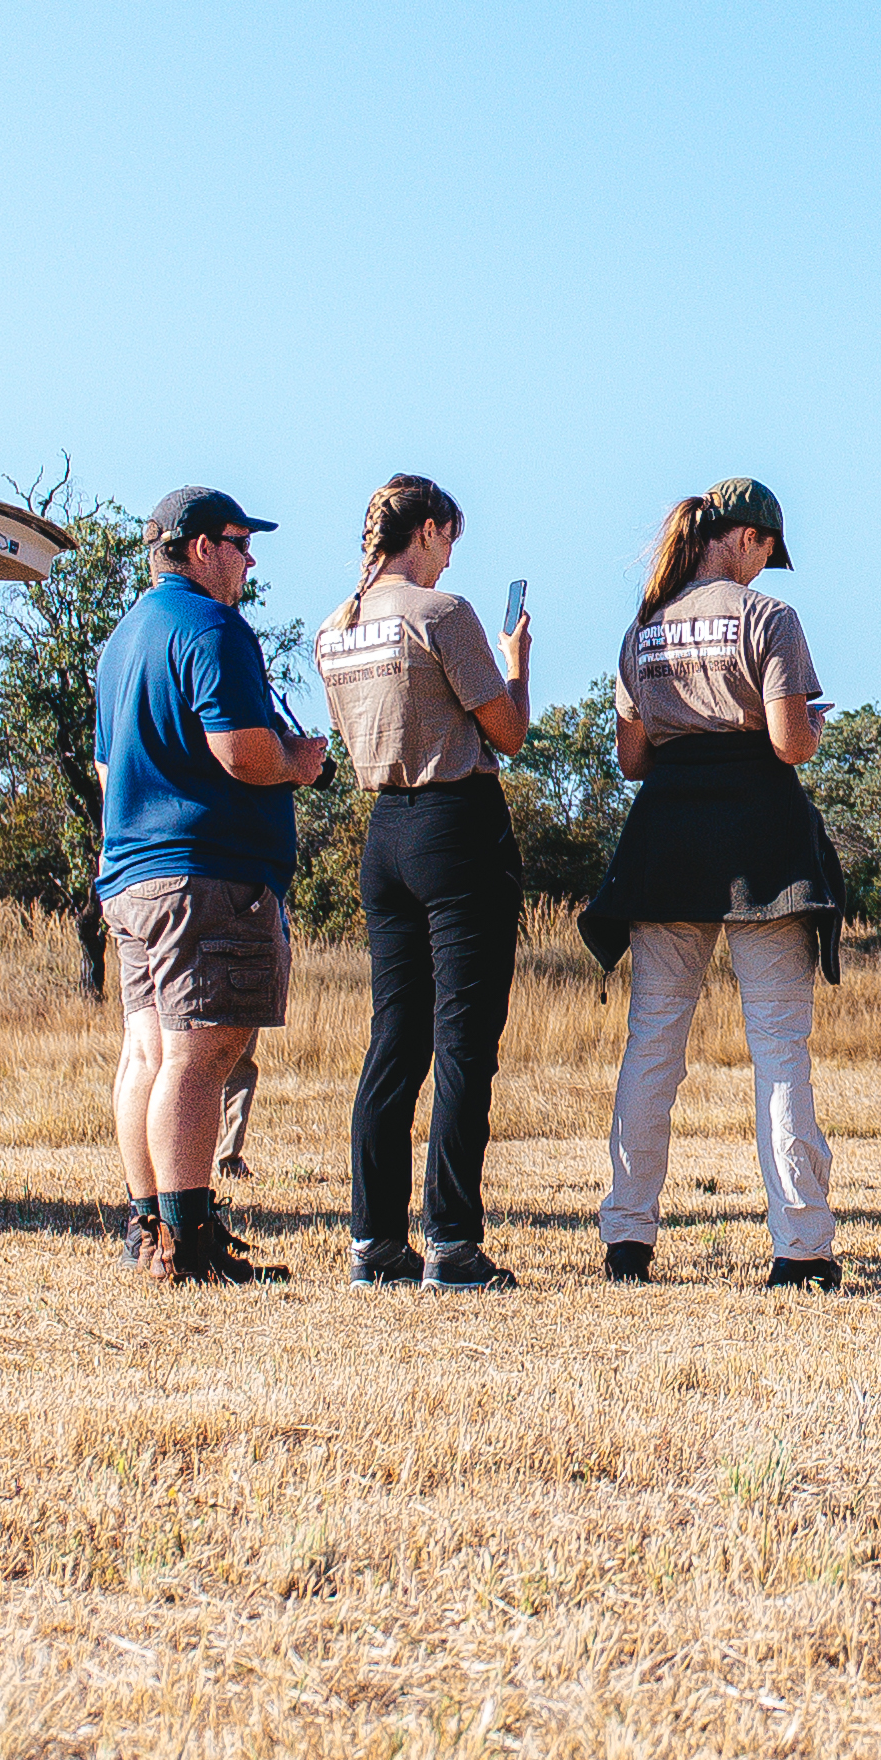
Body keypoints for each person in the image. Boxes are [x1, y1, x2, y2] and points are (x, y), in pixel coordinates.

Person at [584, 479, 843, 1290]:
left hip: (665, 845)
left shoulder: (642, 629)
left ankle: (626, 1238)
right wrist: (813, 721)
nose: (768, 567)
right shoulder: (767, 620)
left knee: (652, 1045)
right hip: (760, 842)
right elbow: (791, 744)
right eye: (768, 550)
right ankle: (800, 1247)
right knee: (779, 1050)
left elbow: (632, 762)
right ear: (743, 537)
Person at [90, 485, 323, 1284]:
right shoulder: (214, 628)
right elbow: (242, 752)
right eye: (238, 540)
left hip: (130, 874)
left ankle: (146, 1224)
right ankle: (190, 1239)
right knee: (206, 1051)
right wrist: (300, 761)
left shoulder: (124, 639)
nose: (249, 557)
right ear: (199, 547)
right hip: (206, 875)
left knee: (149, 1051)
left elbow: (104, 766)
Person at [317, 473, 532, 1292]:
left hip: (384, 835)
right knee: (463, 1042)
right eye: (451, 540)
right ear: (431, 531)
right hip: (456, 824)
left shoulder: (335, 632)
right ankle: (451, 1240)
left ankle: (374, 1240)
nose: (450, 560)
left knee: (393, 1039)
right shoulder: (444, 616)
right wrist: (516, 667)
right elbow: (506, 733)